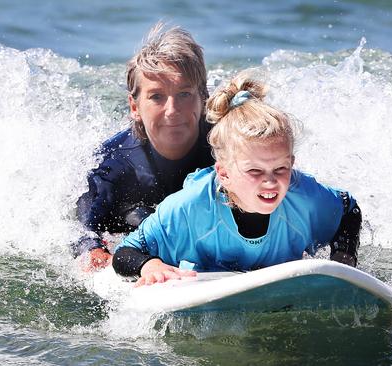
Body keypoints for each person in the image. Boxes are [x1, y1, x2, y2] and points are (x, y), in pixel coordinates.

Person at [111, 73, 362, 287]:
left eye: (281, 168)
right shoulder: (187, 209)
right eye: (255, 171)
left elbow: (348, 208)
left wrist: (343, 258)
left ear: (292, 164)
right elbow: (124, 253)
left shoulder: (304, 196)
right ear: (224, 173)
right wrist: (149, 265)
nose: (270, 181)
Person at [73, 22, 214, 269]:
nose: (173, 111)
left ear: (203, 97)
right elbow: (82, 234)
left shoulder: (226, 146)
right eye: (157, 96)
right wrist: (98, 255)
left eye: (184, 94)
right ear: (135, 107)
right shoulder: (112, 163)